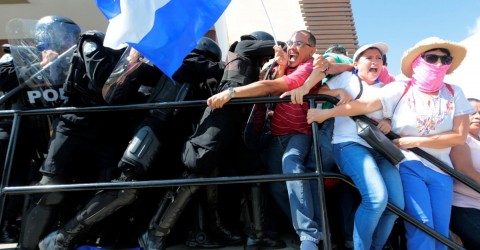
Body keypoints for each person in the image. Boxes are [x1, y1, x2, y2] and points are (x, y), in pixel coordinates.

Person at [38, 37, 227, 250]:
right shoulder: (182, 58)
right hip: (153, 126)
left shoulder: (200, 75)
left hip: (172, 135)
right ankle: (63, 236)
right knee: (126, 187)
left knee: (158, 188)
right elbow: (192, 64)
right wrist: (233, 64)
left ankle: (150, 236)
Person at [306, 37, 474, 250]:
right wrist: (328, 112)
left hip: (436, 167)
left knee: (436, 229)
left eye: (445, 59)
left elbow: (459, 135)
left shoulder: (453, 92)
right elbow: (365, 105)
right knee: (416, 223)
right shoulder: (400, 88)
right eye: (432, 58)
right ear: (418, 61)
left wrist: (413, 139)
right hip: (406, 161)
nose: (439, 63)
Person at [208, 30, 349, 250]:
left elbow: (271, 87)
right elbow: (269, 90)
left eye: (299, 43)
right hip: (275, 136)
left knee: (292, 167)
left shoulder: (311, 66)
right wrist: (280, 66)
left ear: (312, 50)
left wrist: (232, 93)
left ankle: (309, 236)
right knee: (276, 187)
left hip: (299, 135)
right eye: (290, 42)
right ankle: (307, 230)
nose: (292, 46)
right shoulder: (281, 65)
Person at [17, 25, 131, 250]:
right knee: (50, 190)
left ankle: (68, 239)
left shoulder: (146, 54)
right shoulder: (93, 39)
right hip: (74, 123)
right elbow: (102, 81)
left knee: (108, 190)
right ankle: (27, 247)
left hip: (108, 128)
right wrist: (132, 61)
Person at [284, 42, 405, 250]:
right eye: (369, 57)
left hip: (380, 150)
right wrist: (338, 90)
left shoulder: (389, 87)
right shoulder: (347, 77)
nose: (375, 61)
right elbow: (320, 90)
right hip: (349, 144)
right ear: (356, 63)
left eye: (379, 58)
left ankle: (375, 247)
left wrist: (389, 122)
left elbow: (395, 116)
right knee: (376, 199)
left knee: (395, 206)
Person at [449, 97, 480, 249]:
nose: (478, 116)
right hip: (465, 207)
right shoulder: (462, 139)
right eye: (472, 112)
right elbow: (464, 169)